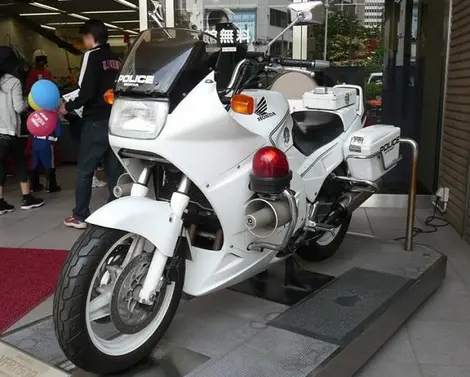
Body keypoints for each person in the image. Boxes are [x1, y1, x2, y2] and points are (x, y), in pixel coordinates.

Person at [59, 20, 122, 229]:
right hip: (114, 121)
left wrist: (67, 107)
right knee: (114, 171)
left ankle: (80, 216)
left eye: (84, 38)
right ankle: (114, 213)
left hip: (94, 121)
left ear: (90, 37)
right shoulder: (116, 59)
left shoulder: (91, 56)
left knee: (85, 170)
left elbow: (85, 90)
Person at [0, 46, 44, 215]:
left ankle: (1, 202)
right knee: (20, 163)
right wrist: (30, 102)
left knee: (1, 166)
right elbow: (18, 107)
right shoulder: (13, 81)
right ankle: (27, 198)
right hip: (10, 131)